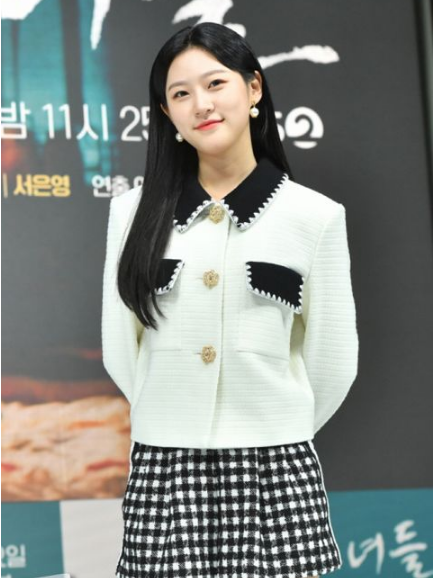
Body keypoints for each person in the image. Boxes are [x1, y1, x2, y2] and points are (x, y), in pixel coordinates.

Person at [102, 21, 359, 578]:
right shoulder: (131, 214)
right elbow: (121, 349)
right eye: (180, 94)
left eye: (215, 83)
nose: (201, 104)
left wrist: (276, 423)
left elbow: (333, 361)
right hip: (165, 466)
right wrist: (169, 415)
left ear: (254, 88)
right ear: (166, 113)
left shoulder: (314, 216)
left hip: (276, 465)